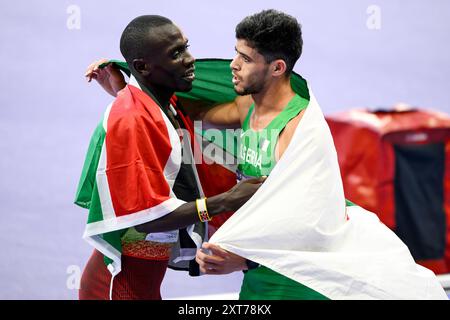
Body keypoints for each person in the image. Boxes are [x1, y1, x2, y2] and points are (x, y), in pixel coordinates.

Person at [86, 10, 447, 299]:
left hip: (303, 273)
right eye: (235, 53)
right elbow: (173, 115)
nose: (232, 65)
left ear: (276, 68)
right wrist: (128, 90)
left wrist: (244, 258)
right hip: (264, 271)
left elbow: (304, 215)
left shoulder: (299, 130)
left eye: (245, 58)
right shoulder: (244, 108)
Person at [76, 14, 264, 300]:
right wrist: (228, 199)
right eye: (176, 54)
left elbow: (154, 130)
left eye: (186, 47)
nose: (190, 59)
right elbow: (146, 220)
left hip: (141, 280)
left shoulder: (164, 103)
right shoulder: (130, 117)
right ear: (142, 67)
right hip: (116, 288)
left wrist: (120, 90)